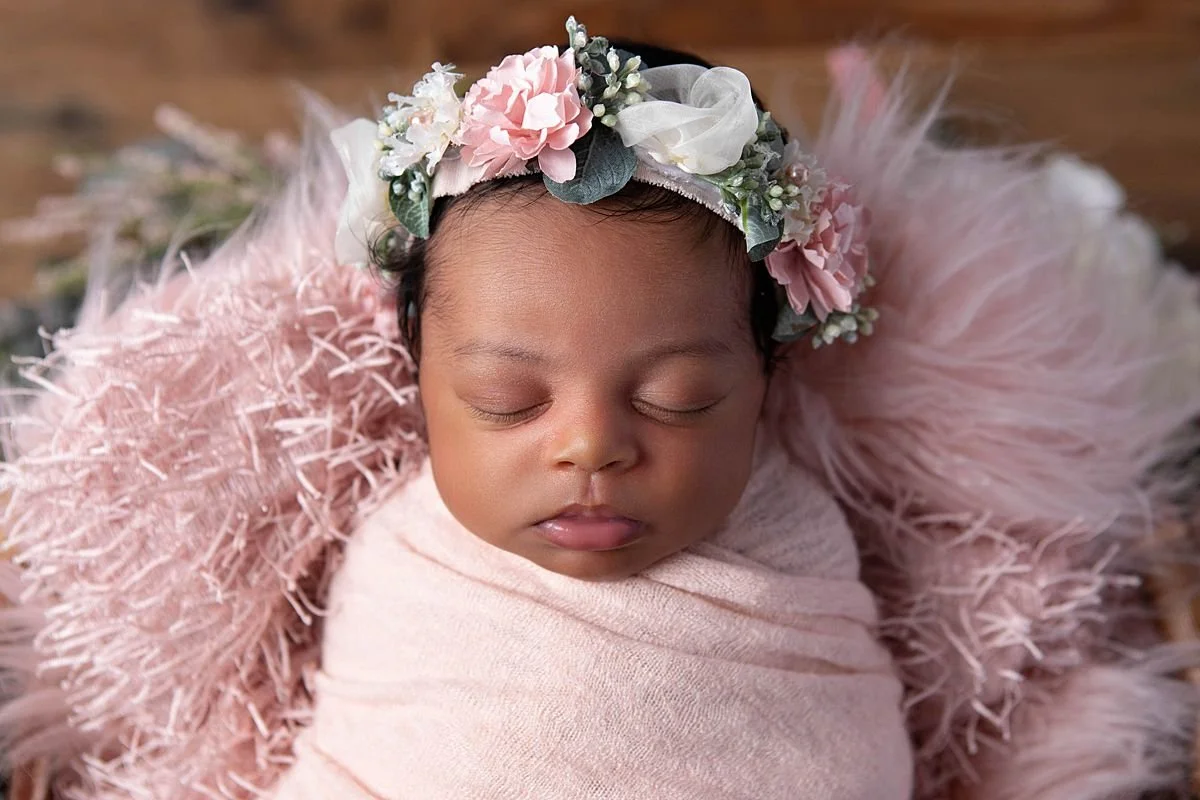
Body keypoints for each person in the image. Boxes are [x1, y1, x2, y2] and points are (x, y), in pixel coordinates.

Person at [3, 15, 1198, 800]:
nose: (588, 443)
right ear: (417, 376)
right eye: (503, 399)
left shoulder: (807, 546)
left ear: (768, 383)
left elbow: (846, 748)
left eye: (680, 398)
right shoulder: (395, 553)